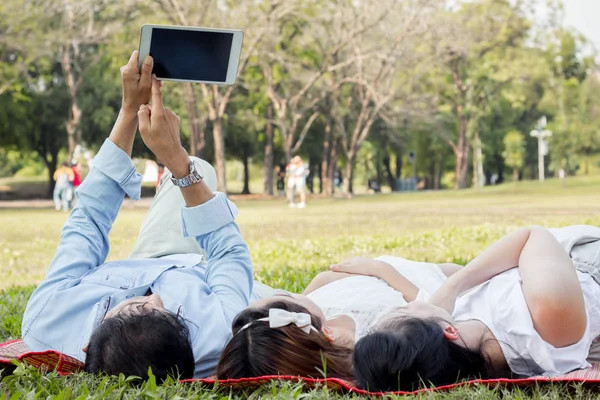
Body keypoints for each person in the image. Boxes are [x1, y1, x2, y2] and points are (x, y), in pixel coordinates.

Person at [21, 51, 253, 382]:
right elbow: (229, 252)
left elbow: (88, 222)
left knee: (199, 169)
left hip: (152, 256)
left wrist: (129, 111)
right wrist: (176, 159)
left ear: (86, 346)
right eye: (164, 309)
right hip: (204, 275)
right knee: (199, 169)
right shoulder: (217, 336)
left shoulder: (48, 320)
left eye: (130, 305)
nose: (148, 296)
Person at [352, 225, 600, 392]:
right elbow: (534, 235)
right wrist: (453, 286)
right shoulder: (546, 315)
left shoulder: (461, 345)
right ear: (449, 331)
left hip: (542, 262)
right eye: (407, 309)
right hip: (584, 260)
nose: (413, 303)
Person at [216, 255, 463, 380]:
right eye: (286, 297)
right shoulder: (381, 335)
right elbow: (439, 311)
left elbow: (323, 282)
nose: (285, 292)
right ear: (322, 332)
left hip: (405, 269)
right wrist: (380, 269)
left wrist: (321, 283)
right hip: (434, 279)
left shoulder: (315, 320)